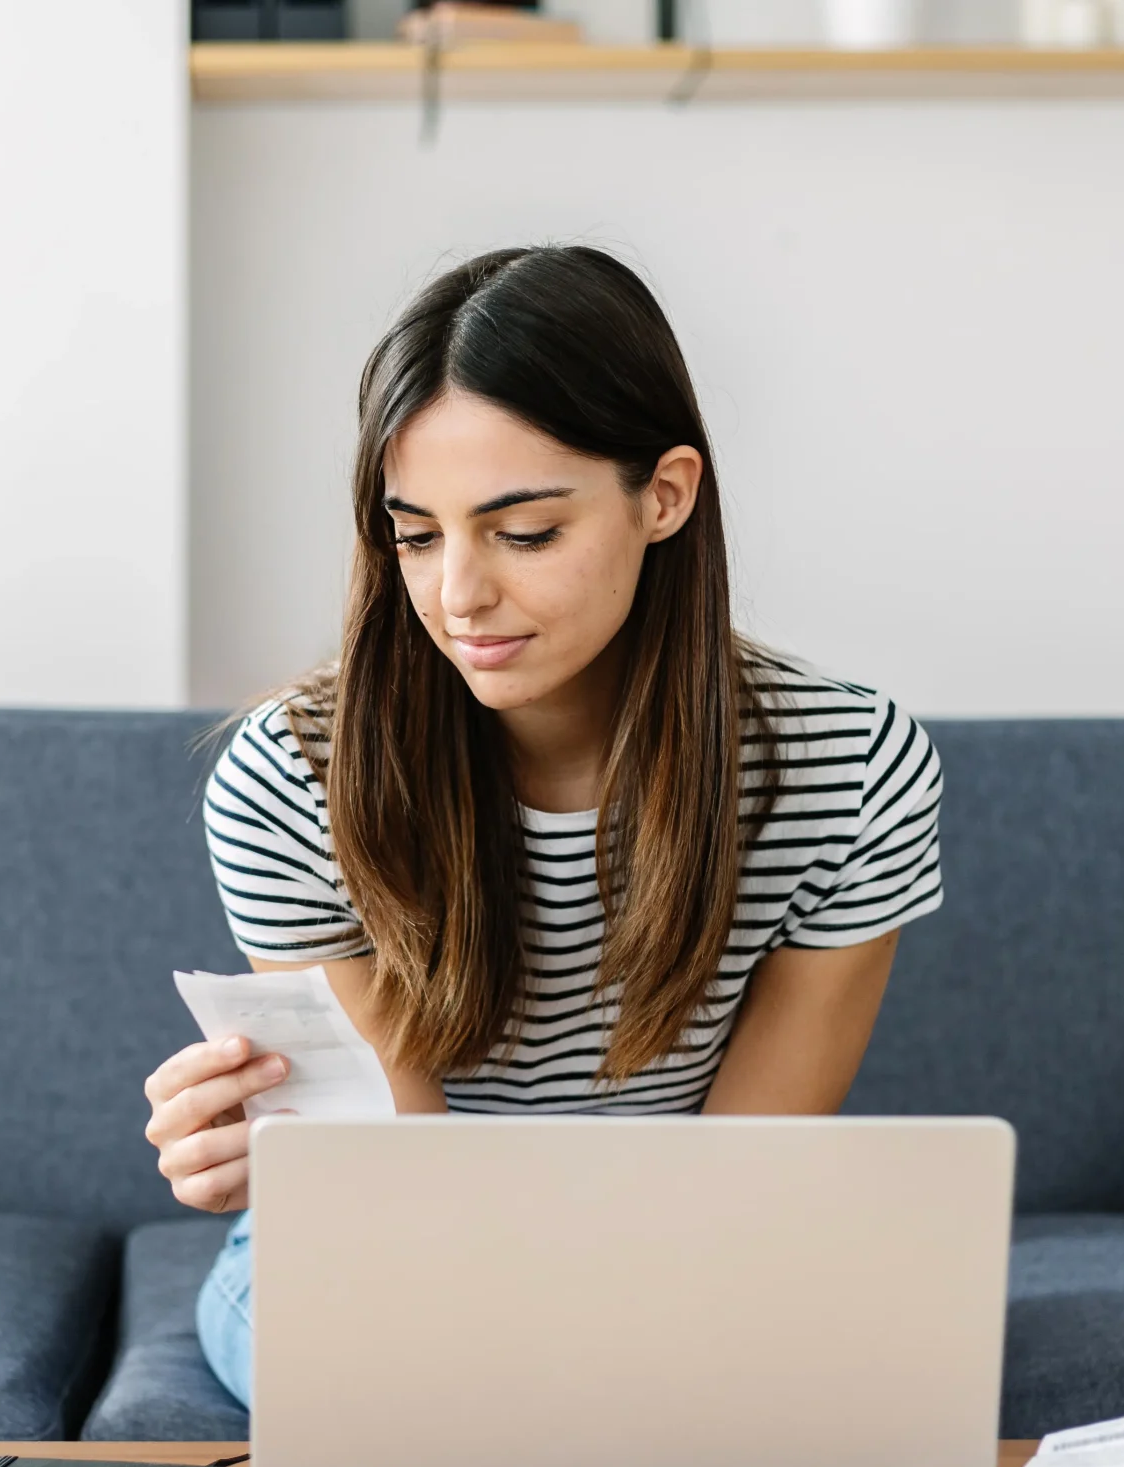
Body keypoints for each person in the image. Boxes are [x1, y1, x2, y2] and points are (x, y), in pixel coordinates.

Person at [143, 245, 944, 1408]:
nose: (458, 596)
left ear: (663, 495)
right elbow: (405, 1202)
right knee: (430, 1394)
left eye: (522, 534)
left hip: (693, 1246)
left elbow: (746, 1180)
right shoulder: (293, 774)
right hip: (396, 1260)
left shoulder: (849, 770)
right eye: (415, 535)